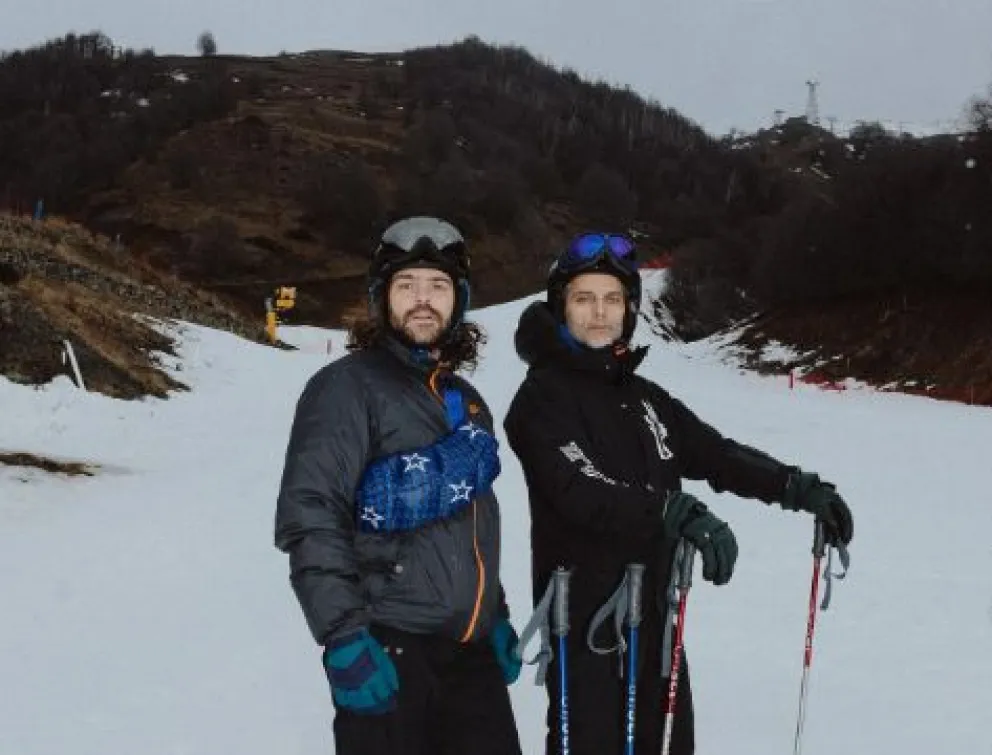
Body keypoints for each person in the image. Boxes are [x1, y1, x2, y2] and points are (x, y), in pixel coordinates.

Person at [503, 232, 854, 755]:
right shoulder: (540, 399)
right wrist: (668, 509)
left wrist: (794, 487)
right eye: (583, 298)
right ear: (560, 308)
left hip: (657, 618)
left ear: (630, 309)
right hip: (584, 628)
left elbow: (714, 453)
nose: (599, 312)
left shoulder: (643, 398)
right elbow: (577, 489)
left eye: (612, 299)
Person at [274, 216, 523, 755]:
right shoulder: (345, 388)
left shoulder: (468, 400)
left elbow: (473, 520)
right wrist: (342, 635)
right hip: (387, 646)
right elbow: (311, 513)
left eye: (437, 286)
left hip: (470, 656)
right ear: (381, 298)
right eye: (406, 285)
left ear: (458, 301)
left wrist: (494, 614)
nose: (422, 300)